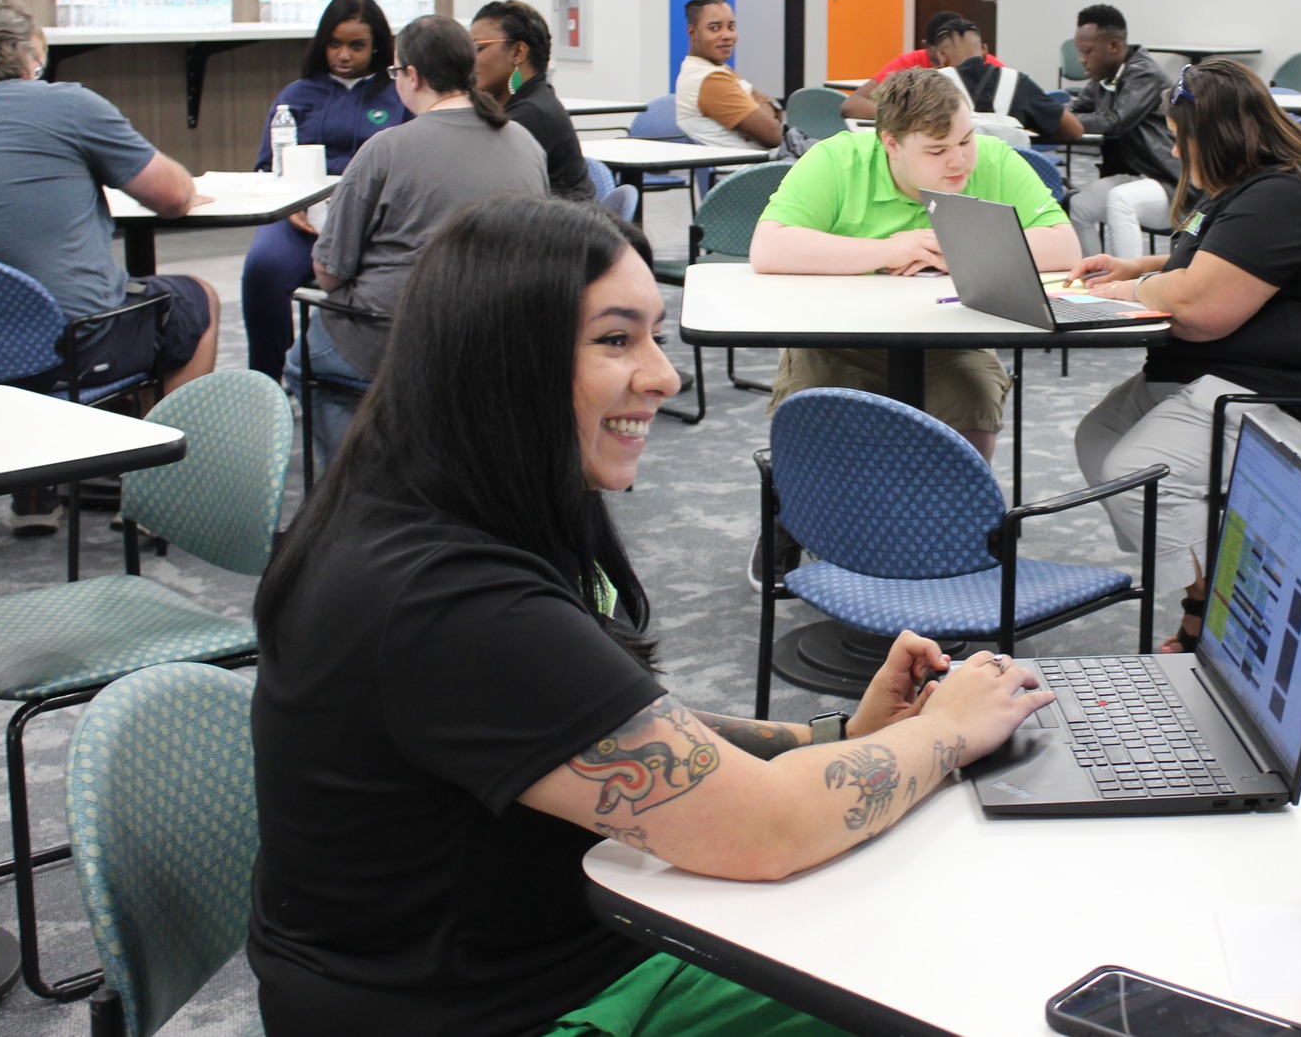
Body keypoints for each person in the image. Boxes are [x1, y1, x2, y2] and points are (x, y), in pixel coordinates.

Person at [249, 193, 1052, 1036]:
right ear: (503, 361)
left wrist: (845, 735)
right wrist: (946, 732)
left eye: (654, 334)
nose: (663, 375)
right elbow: (766, 830)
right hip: (499, 1013)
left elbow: (621, 731)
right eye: (614, 339)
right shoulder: (444, 598)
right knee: (951, 982)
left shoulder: (454, 493)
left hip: (546, 955)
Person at [1070, 59, 1301, 649]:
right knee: (1097, 442)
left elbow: (1200, 309)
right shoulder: (1252, 190)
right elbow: (1215, 261)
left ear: (1216, 137)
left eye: (1180, 140)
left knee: (1139, 476)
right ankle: (1234, 576)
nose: (1174, 154)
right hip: (1245, 382)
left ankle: (1219, 617)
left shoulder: (1288, 196)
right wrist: (1141, 267)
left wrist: (1130, 290)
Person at [0, 0, 218, 533]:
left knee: (8, 308)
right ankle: (158, 497)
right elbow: (174, 197)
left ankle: (34, 495)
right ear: (20, 56)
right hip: (74, 350)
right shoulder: (67, 106)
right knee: (196, 299)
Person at [749, 67, 1077, 461]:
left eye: (966, 140)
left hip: (954, 339)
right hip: (835, 339)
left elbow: (1065, 247)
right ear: (891, 143)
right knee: (811, 408)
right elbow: (768, 247)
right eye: (937, 150)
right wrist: (889, 250)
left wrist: (954, 245)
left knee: (971, 396)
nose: (959, 161)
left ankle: (956, 519)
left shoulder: (993, 160)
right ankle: (814, 518)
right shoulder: (837, 160)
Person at [288, 14, 548, 464]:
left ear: (411, 75)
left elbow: (329, 274)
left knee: (302, 358)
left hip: (398, 338)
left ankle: (352, 489)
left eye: (394, 72)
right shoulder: (525, 142)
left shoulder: (386, 149)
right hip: (501, 339)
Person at [240, 0, 407, 379]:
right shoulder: (296, 96)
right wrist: (291, 205)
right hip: (300, 221)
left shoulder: (398, 95)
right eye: (335, 44)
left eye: (356, 45)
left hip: (373, 223)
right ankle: (265, 383)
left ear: (378, 46)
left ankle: (382, 377)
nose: (344, 55)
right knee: (263, 268)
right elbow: (267, 165)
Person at [1066, 4, 1183, 258]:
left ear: (1114, 46)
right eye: (1079, 51)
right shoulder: (1102, 78)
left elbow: (1116, 120)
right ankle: (1092, 277)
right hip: (1135, 175)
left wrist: (1065, 121)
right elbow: (1075, 109)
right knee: (1079, 206)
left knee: (1121, 201)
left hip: (1171, 182)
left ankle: (1125, 281)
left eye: (1087, 51)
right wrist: (1054, 117)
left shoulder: (1144, 73)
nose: (1081, 59)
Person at [470, 0, 592, 203]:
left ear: (518, 52)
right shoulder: (531, 101)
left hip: (559, 230)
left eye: (478, 48)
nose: (469, 59)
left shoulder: (532, 115)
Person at [931, 15, 1084, 145]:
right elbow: (1074, 131)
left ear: (942, 57)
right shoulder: (1017, 82)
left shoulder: (932, 85)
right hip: (1010, 178)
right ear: (984, 51)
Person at [674, 0, 794, 153]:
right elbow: (773, 135)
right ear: (692, 32)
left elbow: (774, 120)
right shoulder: (710, 79)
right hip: (749, 173)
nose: (727, 36)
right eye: (714, 28)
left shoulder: (717, 69)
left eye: (731, 27)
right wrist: (765, 104)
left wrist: (764, 108)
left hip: (761, 165)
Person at [836, 9, 1002, 119]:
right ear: (926, 48)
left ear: (981, 51)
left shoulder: (994, 70)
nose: (943, 68)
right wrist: (909, 116)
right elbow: (852, 105)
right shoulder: (910, 63)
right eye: (937, 60)